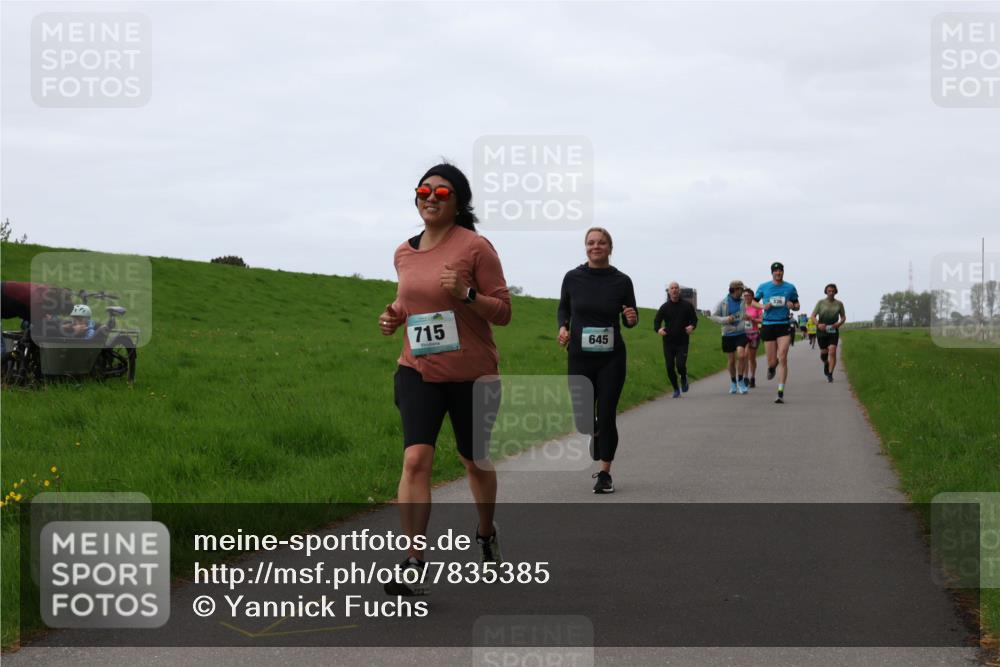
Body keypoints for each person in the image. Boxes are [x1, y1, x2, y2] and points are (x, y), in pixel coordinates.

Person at [378, 163, 512, 595]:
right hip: (417, 370)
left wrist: (466, 294)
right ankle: (413, 561)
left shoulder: (475, 247)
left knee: (474, 461)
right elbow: (408, 301)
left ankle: (486, 532)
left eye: (441, 192)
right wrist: (393, 316)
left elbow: (503, 311)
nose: (430, 198)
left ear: (458, 202)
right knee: (416, 460)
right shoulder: (403, 252)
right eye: (424, 190)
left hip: (472, 375)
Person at [557, 227, 638, 494]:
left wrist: (631, 318)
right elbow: (564, 308)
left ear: (610, 248)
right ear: (586, 247)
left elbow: (631, 316)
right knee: (583, 419)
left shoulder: (622, 281)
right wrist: (563, 327)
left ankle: (605, 474)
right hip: (579, 357)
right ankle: (595, 432)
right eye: (591, 242)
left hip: (611, 359)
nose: (596, 246)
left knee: (606, 414)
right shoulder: (572, 277)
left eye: (601, 243)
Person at [754, 262, 800, 404]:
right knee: (772, 361)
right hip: (768, 325)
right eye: (776, 271)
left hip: (783, 324)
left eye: (780, 270)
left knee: (783, 356)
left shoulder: (790, 287)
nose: (778, 273)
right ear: (772, 273)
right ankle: (772, 367)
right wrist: (763, 306)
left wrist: (793, 306)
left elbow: (797, 305)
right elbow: (753, 302)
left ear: (783, 272)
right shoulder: (763, 287)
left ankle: (780, 392)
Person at [653, 281, 698, 398]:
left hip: (682, 341)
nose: (674, 290)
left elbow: (694, 320)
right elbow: (656, 322)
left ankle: (683, 377)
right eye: (672, 288)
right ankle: (675, 389)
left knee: (680, 365)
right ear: (669, 291)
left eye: (676, 288)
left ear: (679, 291)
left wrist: (692, 326)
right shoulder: (664, 307)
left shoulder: (687, 306)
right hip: (668, 342)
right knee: (669, 367)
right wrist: (659, 330)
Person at [710, 280, 749, 395]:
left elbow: (750, 302)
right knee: (731, 361)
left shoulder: (743, 301)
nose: (742, 292)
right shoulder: (723, 303)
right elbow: (713, 316)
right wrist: (726, 319)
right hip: (728, 334)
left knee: (742, 355)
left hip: (741, 332)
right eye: (741, 289)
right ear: (735, 290)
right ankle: (733, 382)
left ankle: (740, 380)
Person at [812, 283, 847, 382]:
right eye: (829, 291)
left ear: (835, 292)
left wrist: (839, 324)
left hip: (833, 330)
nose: (831, 293)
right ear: (826, 292)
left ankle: (830, 374)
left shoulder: (839, 304)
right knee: (824, 354)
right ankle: (826, 363)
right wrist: (818, 324)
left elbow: (843, 317)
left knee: (832, 351)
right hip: (822, 330)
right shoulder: (821, 303)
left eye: (833, 291)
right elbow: (813, 316)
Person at [741, 287, 763, 389]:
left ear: (752, 297)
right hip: (743, 334)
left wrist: (752, 319)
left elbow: (762, 320)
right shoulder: (741, 307)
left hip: (754, 334)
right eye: (744, 295)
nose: (746, 297)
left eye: (748, 295)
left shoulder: (757, 307)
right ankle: (745, 377)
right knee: (744, 355)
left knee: (752, 358)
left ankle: (752, 377)